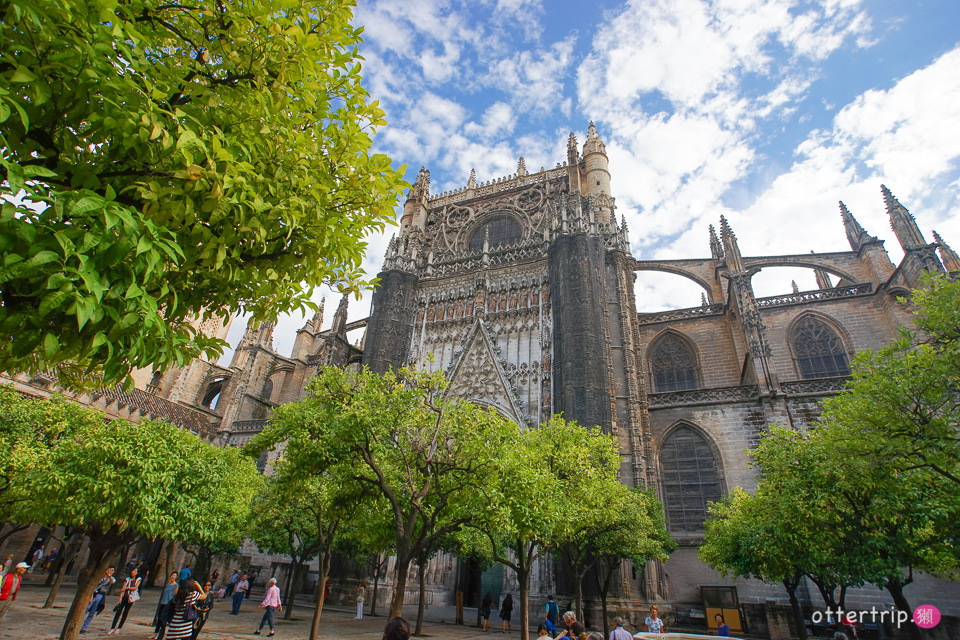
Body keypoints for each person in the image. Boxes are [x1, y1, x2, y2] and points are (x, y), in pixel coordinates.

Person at [81, 566, 116, 633]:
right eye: (110, 570)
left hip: (100, 595)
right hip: (93, 593)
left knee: (92, 613)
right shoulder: (99, 577)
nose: (112, 572)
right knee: (86, 609)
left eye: (113, 570)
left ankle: (84, 628)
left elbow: (113, 581)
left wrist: (108, 575)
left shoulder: (110, 579)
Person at [108, 567, 143, 635]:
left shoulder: (138, 579)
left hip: (131, 598)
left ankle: (119, 628)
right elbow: (122, 589)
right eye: (133, 570)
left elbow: (135, 587)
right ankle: (112, 628)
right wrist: (120, 598)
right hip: (124, 597)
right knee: (118, 612)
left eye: (135, 571)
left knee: (125, 613)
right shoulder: (127, 579)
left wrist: (127, 588)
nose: (134, 572)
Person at [153, 572, 179, 640]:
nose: (173, 577)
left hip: (168, 604)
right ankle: (155, 633)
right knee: (159, 618)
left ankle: (161, 635)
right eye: (172, 575)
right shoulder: (167, 584)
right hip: (163, 602)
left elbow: (176, 595)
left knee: (163, 620)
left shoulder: (176, 585)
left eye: (174, 576)